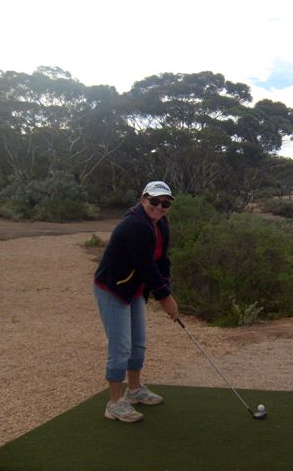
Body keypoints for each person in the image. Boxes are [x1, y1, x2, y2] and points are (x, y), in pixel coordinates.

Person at [93, 181, 179, 423]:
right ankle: (114, 403)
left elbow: (162, 261)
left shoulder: (161, 223)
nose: (159, 207)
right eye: (154, 201)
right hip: (113, 288)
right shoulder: (134, 226)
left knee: (138, 343)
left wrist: (166, 288)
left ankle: (134, 390)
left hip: (134, 289)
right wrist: (166, 300)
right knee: (121, 346)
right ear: (143, 199)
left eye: (165, 203)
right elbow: (146, 267)